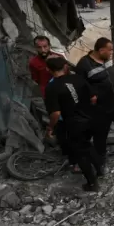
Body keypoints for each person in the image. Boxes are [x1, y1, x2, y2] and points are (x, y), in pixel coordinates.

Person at [44, 57, 103, 192]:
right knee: (88, 145)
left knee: (80, 153)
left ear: (48, 69)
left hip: (74, 124)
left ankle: (92, 184)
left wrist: (50, 127)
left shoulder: (52, 87)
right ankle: (100, 171)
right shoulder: (77, 78)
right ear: (65, 66)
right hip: (90, 119)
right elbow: (93, 97)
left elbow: (56, 113)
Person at [75, 38, 114, 160]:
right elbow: (78, 85)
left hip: (113, 101)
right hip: (99, 108)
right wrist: (90, 96)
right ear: (101, 50)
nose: (112, 53)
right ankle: (100, 159)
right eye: (110, 50)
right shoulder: (84, 65)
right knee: (100, 134)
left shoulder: (106, 60)